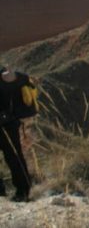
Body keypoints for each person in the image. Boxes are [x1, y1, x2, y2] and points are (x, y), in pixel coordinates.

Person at [0, 65, 31, 202]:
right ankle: (19, 191)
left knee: (13, 156)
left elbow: (20, 78)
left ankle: (23, 191)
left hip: (6, 124)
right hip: (9, 122)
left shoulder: (4, 75)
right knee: (14, 156)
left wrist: (12, 76)